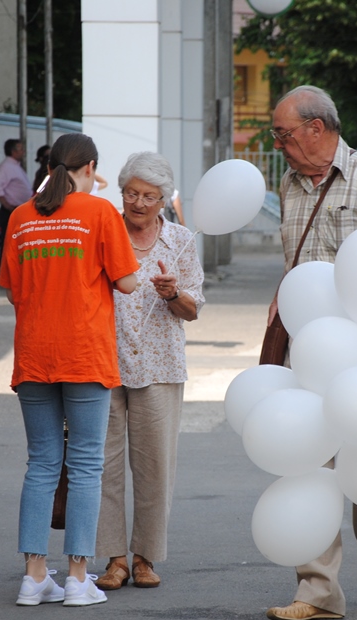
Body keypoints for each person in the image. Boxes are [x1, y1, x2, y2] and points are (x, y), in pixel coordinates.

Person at [264, 85, 357, 620]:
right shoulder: (288, 183)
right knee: (307, 459)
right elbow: (296, 264)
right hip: (305, 351)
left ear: (317, 128)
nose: (278, 144)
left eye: (283, 133)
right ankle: (318, 590)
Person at [0, 132, 139, 608]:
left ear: (49, 166)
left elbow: (13, 289)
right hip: (84, 353)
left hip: (34, 353)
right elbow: (126, 282)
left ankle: (34, 576)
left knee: (41, 464)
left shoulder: (21, 217)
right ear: (90, 168)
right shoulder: (100, 213)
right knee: (85, 465)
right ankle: (79, 577)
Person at [93, 152, 205, 592]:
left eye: (149, 196)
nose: (138, 203)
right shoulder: (102, 232)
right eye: (131, 193)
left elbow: (192, 310)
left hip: (160, 365)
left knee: (155, 467)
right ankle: (114, 559)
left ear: (164, 200)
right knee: (103, 467)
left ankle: (145, 557)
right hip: (102, 362)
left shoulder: (179, 240)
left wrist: (173, 293)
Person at [0, 138, 32, 251]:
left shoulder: (15, 166)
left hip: (18, 209)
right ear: (13, 151)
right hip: (10, 210)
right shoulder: (6, 167)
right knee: (8, 245)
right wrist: (7, 205)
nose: (23, 152)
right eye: (21, 149)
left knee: (16, 245)